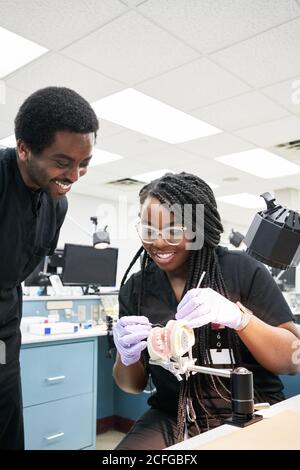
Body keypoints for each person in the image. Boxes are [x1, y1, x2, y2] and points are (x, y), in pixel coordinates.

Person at [113, 172, 300, 450]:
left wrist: (240, 319)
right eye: (149, 230)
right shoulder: (136, 288)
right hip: (172, 413)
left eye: (175, 230)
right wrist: (126, 356)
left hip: (250, 407)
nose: (160, 242)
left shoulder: (242, 271)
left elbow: (292, 360)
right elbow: (132, 386)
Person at [0, 86, 99, 449]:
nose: (74, 175)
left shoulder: (57, 204)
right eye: (62, 162)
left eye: (84, 163)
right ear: (24, 149)